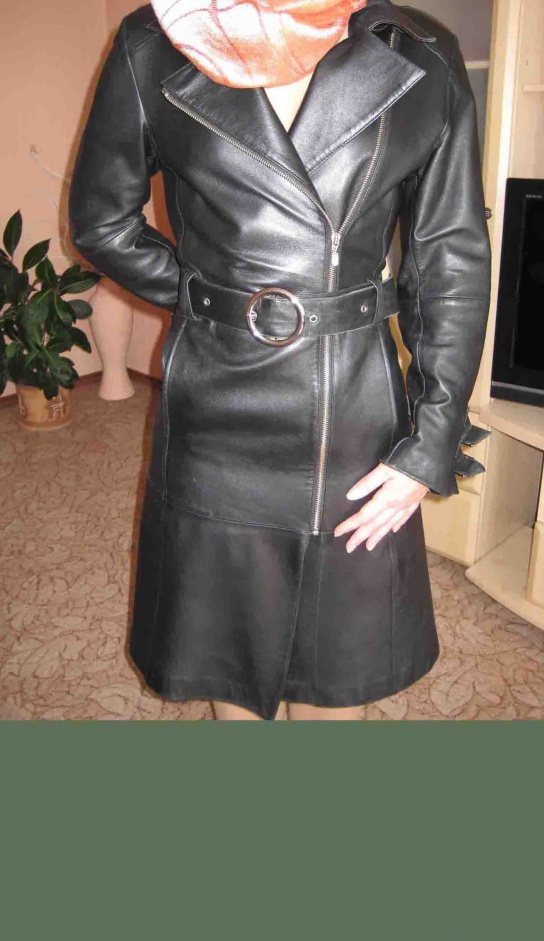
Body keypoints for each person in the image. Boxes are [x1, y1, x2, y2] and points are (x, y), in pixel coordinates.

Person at [68, 0, 492, 721]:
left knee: (338, 675)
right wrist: (223, 303)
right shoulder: (155, 40)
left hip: (353, 420)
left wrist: (430, 443)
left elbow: (450, 257)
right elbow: (102, 222)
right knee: (229, 665)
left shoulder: (421, 51)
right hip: (218, 413)